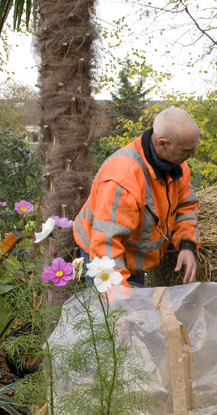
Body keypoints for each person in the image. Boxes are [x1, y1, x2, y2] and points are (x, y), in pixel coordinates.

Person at [73, 106, 200, 287]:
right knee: (116, 312)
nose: (192, 155)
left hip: (133, 254)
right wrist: (123, 300)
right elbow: (106, 249)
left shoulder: (176, 165)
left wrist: (187, 246)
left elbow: (185, 206)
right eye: (187, 150)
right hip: (104, 257)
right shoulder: (122, 180)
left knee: (137, 305)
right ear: (163, 144)